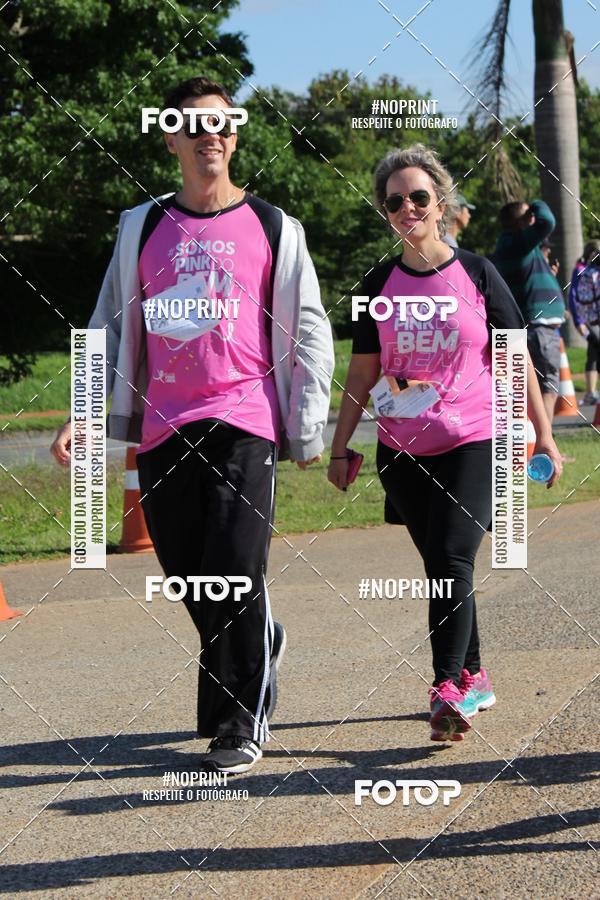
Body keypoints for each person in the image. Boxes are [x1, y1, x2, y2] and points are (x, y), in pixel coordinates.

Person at [51, 76, 334, 773]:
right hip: (163, 423)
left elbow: (308, 327)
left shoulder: (273, 226)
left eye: (224, 123)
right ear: (172, 137)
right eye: (194, 125)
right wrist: (83, 411)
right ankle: (260, 637)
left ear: (235, 136)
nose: (212, 134)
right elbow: (107, 328)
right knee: (188, 573)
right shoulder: (141, 227)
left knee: (236, 567)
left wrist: (307, 422)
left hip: (246, 418)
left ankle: (239, 724)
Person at [328, 144, 561, 742]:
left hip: (473, 441)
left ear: (441, 203)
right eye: (395, 200)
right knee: (443, 568)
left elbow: (515, 359)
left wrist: (544, 434)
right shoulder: (375, 283)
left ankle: (446, 688)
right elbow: (361, 372)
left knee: (453, 561)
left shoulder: (478, 273)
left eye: (419, 197)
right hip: (402, 452)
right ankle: (476, 674)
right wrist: (341, 444)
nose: (408, 207)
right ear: (385, 211)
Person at [493, 200, 566, 424]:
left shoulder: (510, 246)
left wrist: (547, 273)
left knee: (529, 390)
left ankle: (536, 445)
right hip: (539, 327)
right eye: (529, 216)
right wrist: (535, 204)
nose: (534, 219)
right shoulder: (518, 242)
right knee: (548, 387)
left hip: (530, 326)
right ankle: (543, 447)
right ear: (522, 222)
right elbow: (548, 221)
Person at [569, 239, 600, 405]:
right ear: (591, 253)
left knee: (593, 352)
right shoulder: (581, 271)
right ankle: (590, 393)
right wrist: (578, 320)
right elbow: (573, 296)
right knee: (596, 346)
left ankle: (590, 393)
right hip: (586, 319)